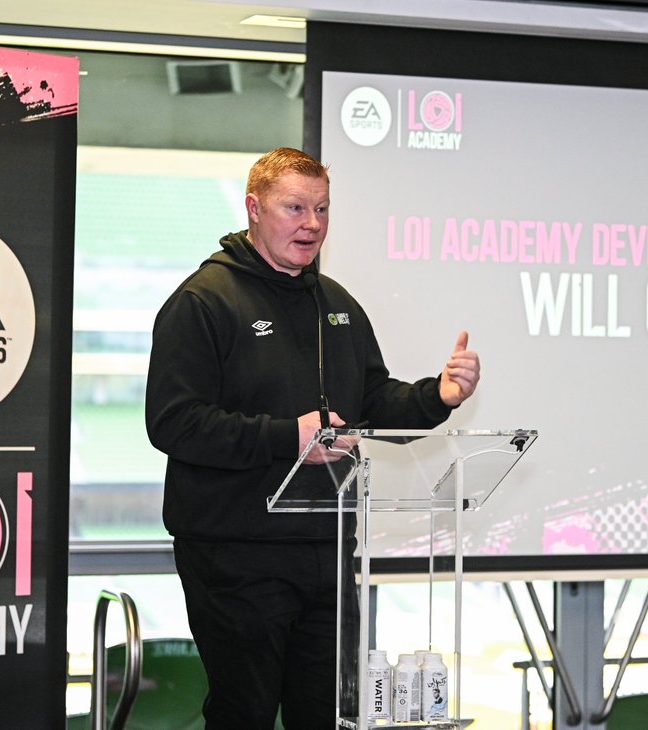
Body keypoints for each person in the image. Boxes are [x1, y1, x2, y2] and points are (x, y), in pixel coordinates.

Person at [145, 147, 480, 729]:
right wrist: (286, 436)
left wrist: (438, 396)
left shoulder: (338, 306)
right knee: (243, 714)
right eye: (294, 207)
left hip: (325, 551)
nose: (312, 224)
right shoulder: (203, 302)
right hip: (235, 555)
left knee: (325, 715)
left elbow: (374, 404)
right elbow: (172, 422)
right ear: (254, 208)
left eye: (322, 208)